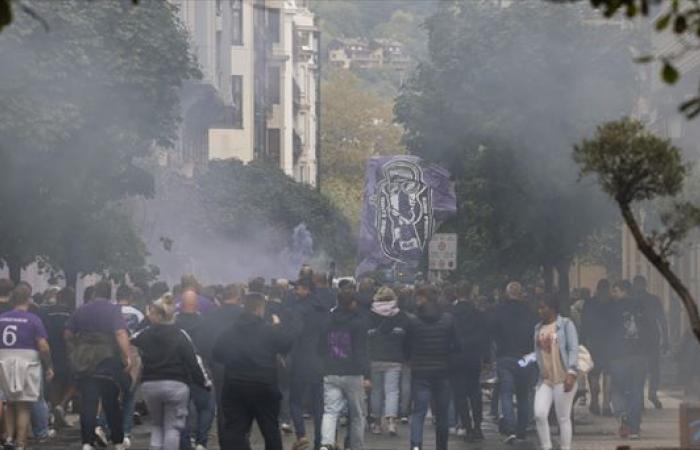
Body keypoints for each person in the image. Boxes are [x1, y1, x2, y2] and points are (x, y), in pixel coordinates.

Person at [213, 292, 295, 450]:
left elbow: (217, 354)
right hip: (264, 386)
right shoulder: (268, 330)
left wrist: (233, 361)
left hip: (235, 385)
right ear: (260, 309)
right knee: (270, 429)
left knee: (235, 430)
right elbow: (286, 344)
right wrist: (278, 326)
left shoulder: (230, 332)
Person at [132, 293, 209, 450]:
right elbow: (193, 361)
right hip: (177, 385)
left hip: (150, 384)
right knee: (172, 428)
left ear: (155, 315)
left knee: (157, 425)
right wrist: (203, 383)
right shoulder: (181, 335)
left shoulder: (145, 334)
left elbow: (130, 341)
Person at [66, 280, 131, 450]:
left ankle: (87, 442)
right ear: (109, 294)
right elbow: (120, 333)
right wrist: (127, 357)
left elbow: (67, 334)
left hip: (85, 361)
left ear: (94, 293)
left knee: (89, 401)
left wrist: (76, 350)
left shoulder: (81, 310)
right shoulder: (113, 310)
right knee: (111, 402)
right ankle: (117, 441)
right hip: (108, 360)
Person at [0, 285, 54, 450]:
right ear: (28, 300)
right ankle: (20, 443)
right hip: (27, 362)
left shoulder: (2, 318)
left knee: (9, 402)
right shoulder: (33, 319)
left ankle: (9, 437)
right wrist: (49, 365)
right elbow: (43, 346)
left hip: (4, 360)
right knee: (24, 404)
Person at [405, 285, 457, 450]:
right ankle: (442, 446)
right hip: (442, 371)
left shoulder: (413, 321)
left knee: (418, 412)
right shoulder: (448, 319)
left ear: (423, 299)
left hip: (420, 371)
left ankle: (416, 446)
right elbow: (456, 345)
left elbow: (406, 346)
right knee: (441, 413)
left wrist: (410, 359)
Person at [318, 291, 370, 450]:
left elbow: (321, 345)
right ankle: (356, 446)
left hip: (331, 370)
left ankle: (326, 444)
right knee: (357, 414)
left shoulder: (327, 320)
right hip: (353, 372)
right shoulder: (359, 322)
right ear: (352, 303)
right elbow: (362, 350)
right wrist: (367, 375)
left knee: (330, 411)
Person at [490, 281, 539, 444]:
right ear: (521, 293)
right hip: (525, 357)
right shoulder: (530, 311)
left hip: (505, 356)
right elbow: (535, 333)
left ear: (507, 293)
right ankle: (521, 429)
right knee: (523, 394)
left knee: (506, 393)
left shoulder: (499, 310)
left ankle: (510, 428)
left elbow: (493, 332)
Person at [533, 295, 579, 450]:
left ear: (552, 308)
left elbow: (573, 349)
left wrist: (571, 372)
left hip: (563, 377)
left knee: (563, 417)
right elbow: (538, 353)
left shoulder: (565, 324)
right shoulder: (538, 328)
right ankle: (547, 447)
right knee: (539, 414)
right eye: (539, 307)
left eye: (543, 307)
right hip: (545, 379)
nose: (540, 310)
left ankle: (565, 447)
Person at [288, 278, 328, 449]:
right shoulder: (323, 310)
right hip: (319, 361)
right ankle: (319, 442)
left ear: (308, 290)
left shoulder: (299, 309)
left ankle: (301, 435)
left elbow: (294, 333)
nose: (295, 291)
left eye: (298, 288)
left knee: (295, 401)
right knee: (318, 406)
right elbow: (328, 334)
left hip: (300, 360)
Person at [608, 280, 651, 440]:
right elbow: (650, 329)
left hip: (619, 355)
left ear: (623, 290)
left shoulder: (613, 308)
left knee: (618, 388)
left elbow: (607, 331)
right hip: (639, 355)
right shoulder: (642, 306)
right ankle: (634, 428)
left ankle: (623, 414)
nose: (613, 294)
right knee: (637, 390)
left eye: (615, 290)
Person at [449, 281, 489, 442]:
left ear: (456, 294)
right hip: (473, 356)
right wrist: (486, 358)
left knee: (459, 393)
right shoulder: (477, 314)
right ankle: (478, 425)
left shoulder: (451, 314)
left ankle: (467, 425)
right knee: (474, 391)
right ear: (471, 293)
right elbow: (484, 337)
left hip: (455, 357)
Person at [367, 286, 409, 437]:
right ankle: (391, 422)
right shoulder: (400, 315)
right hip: (395, 357)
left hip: (375, 357)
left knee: (376, 391)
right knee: (392, 391)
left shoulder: (370, 314)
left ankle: (377, 423)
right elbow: (406, 336)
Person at [175, 289, 214, 450]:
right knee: (206, 407)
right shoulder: (204, 322)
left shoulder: (174, 323)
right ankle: (201, 441)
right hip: (199, 369)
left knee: (181, 410)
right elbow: (209, 346)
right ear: (196, 304)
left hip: (178, 371)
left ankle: (185, 442)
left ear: (181, 304)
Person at [632, 275, 668, 409]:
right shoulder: (652, 300)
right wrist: (666, 339)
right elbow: (662, 320)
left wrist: (666, 339)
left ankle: (646, 395)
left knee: (646, 368)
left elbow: (662, 319)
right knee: (652, 368)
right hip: (649, 338)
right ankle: (649, 394)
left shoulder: (632, 300)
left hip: (641, 339)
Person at [43, 286, 76, 428]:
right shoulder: (72, 313)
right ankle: (62, 406)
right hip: (68, 352)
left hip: (50, 351)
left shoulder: (46, 312)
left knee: (54, 382)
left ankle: (57, 411)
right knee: (75, 381)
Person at [582, 279, 613, 416]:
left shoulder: (589, 303)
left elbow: (584, 323)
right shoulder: (613, 303)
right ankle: (606, 404)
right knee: (608, 373)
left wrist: (583, 340)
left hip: (593, 342)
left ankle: (594, 401)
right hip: (610, 343)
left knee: (593, 373)